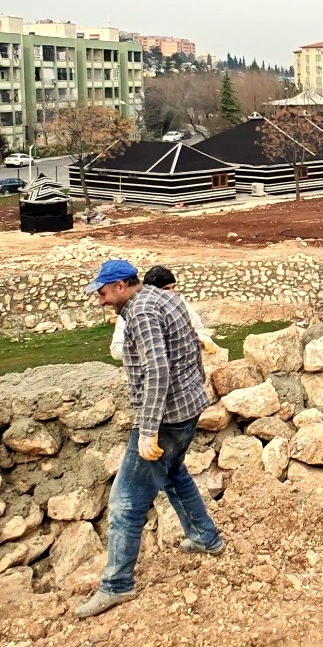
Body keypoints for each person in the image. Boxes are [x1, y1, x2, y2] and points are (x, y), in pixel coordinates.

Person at [74, 259, 224, 619]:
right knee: (173, 473)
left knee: (126, 501)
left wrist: (148, 429)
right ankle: (206, 537)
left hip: (166, 418)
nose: (102, 301)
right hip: (187, 407)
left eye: (105, 293)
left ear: (123, 286)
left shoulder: (139, 314)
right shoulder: (164, 297)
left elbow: (157, 369)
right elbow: (189, 346)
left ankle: (117, 585)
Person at [107, 265, 216, 362]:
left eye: (173, 287)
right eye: (166, 289)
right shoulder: (134, 311)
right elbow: (116, 350)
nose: (172, 292)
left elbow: (198, 328)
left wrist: (202, 336)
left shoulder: (181, 303)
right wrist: (155, 348)